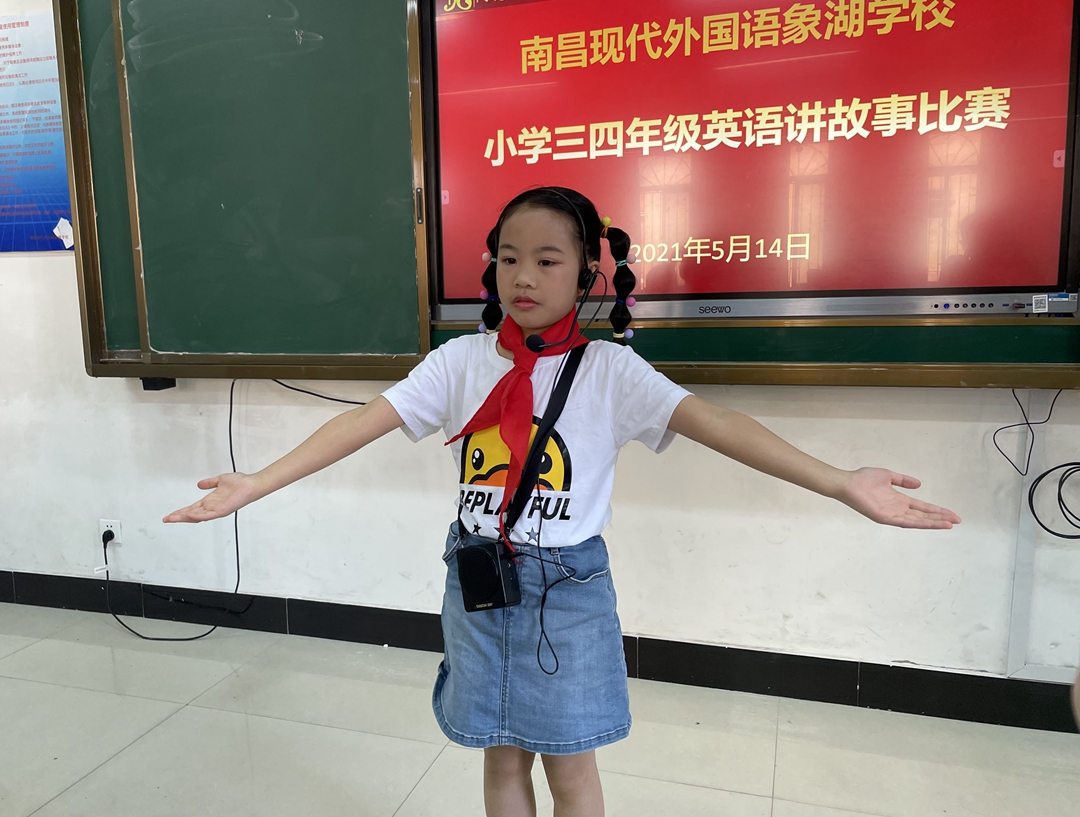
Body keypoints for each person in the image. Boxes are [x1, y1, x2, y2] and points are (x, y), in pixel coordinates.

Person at [165, 187, 961, 817]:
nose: (523, 276)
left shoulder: (612, 371)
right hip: (478, 581)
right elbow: (362, 421)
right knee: (500, 753)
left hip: (568, 591)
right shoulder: (460, 362)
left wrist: (837, 479)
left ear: (586, 276)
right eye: (509, 258)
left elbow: (718, 423)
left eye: (548, 260)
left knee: (571, 762)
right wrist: (257, 480)